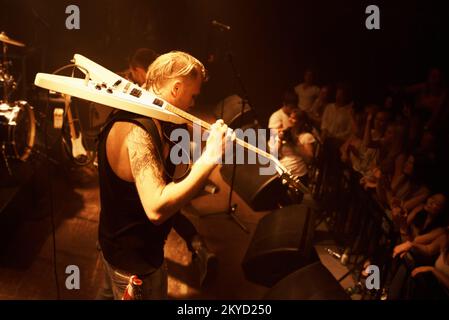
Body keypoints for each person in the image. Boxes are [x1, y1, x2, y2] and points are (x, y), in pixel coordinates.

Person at [97, 51, 229, 299]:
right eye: (193, 96)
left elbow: (176, 170)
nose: (193, 104)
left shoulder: (154, 116)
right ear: (177, 89)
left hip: (116, 249)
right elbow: (156, 208)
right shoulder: (139, 131)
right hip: (134, 267)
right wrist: (210, 157)